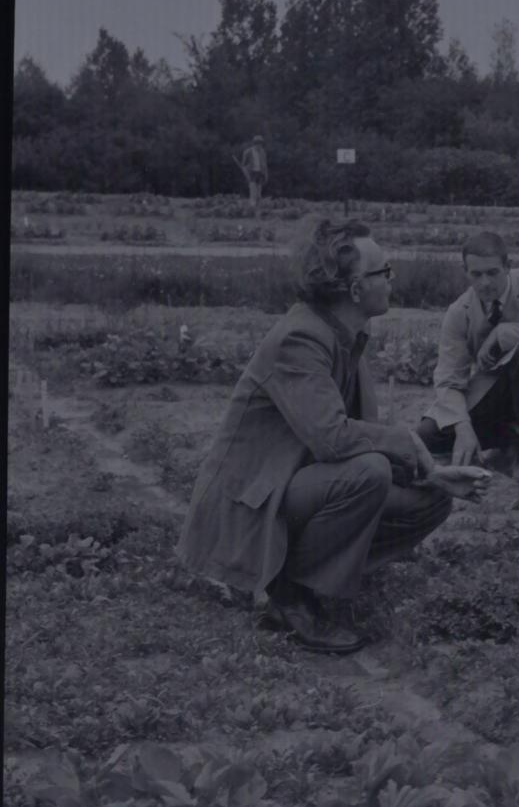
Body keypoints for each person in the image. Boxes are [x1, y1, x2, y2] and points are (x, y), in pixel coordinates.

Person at [177, 220, 480, 654]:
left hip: (297, 484)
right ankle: (289, 597)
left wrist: (430, 474)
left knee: (430, 499)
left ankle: (319, 575)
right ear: (355, 290)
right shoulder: (300, 338)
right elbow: (334, 440)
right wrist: (408, 443)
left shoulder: (346, 332)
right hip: (254, 503)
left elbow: (351, 439)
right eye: (384, 272)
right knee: (370, 473)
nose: (392, 280)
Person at [417, 232, 519, 485]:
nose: (485, 283)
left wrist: (504, 332)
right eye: (476, 275)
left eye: (493, 272)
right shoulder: (459, 312)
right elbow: (449, 381)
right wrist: (463, 427)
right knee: (427, 434)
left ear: (508, 267)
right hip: (492, 392)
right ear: (464, 271)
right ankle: (507, 440)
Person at [240, 135, 268, 216]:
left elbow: (265, 165)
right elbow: (243, 165)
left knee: (259, 194)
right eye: (258, 144)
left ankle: (258, 211)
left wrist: (266, 175)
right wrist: (246, 174)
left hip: (260, 174)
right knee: (253, 193)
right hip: (252, 174)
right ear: (254, 144)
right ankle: (251, 210)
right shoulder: (248, 152)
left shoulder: (262, 152)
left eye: (261, 144)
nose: (259, 146)